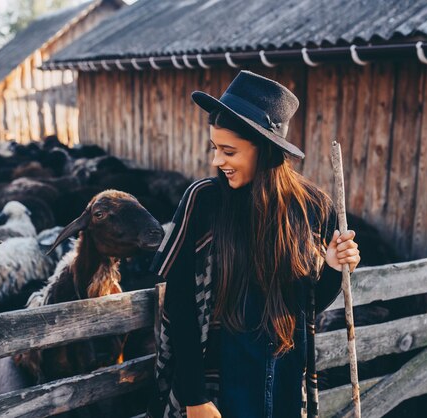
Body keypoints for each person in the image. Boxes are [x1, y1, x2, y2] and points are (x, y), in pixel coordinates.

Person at [147, 71, 361, 418]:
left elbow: (306, 307)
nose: (217, 161)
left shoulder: (314, 207)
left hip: (284, 381)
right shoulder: (204, 201)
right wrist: (194, 397)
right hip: (220, 385)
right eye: (214, 148)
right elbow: (181, 305)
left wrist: (335, 268)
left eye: (229, 151)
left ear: (265, 150)